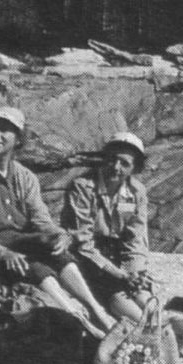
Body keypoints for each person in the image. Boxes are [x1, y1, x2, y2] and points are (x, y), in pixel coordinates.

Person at [0, 106, 116, 337]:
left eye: (5, 130)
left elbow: (41, 220)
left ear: (18, 138)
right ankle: (76, 317)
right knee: (31, 263)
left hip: (16, 242)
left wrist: (61, 235)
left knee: (56, 247)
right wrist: (3, 254)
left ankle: (98, 311)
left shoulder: (25, 176)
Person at [61, 132, 153, 322]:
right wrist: (119, 275)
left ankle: (163, 324)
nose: (116, 167)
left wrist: (134, 271)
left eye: (124, 163)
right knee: (122, 300)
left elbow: (136, 237)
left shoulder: (137, 192)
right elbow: (83, 241)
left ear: (134, 168)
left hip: (119, 254)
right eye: (112, 160)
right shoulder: (83, 187)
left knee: (143, 296)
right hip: (90, 257)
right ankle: (153, 328)